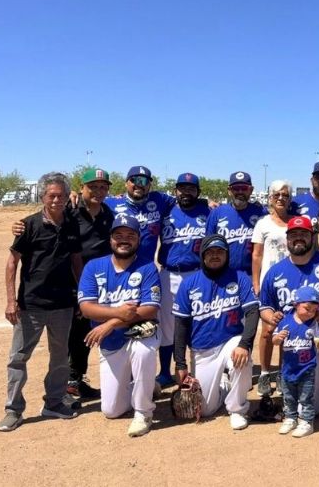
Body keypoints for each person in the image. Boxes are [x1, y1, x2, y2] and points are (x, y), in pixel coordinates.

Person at [10, 167, 112, 401]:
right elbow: (47, 213)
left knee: (85, 332)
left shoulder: (109, 212)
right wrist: (19, 226)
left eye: (102, 187)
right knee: (70, 335)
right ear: (81, 189)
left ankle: (77, 378)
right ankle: (68, 385)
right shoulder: (70, 209)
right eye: (92, 187)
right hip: (70, 281)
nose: (98, 191)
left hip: (99, 282)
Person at [258, 216, 319, 438]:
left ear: (312, 236)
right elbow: (264, 306)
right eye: (293, 235)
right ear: (287, 240)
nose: (298, 238)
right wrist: (270, 317)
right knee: (307, 402)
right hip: (299, 341)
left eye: (303, 234)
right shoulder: (276, 272)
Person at [0, 172, 83, 432]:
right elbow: (13, 262)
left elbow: (76, 261)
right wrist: (11, 301)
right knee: (18, 358)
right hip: (30, 305)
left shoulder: (71, 224)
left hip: (62, 305)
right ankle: (13, 410)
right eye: (51, 195)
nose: (56, 200)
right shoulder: (29, 225)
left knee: (59, 358)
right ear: (43, 197)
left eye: (60, 195)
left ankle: (54, 403)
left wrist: (81, 296)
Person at [77, 214, 161, 437]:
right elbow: (86, 308)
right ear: (111, 239)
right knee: (112, 410)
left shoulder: (147, 267)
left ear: (138, 239)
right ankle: (145, 385)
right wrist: (118, 313)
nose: (124, 240)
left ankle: (144, 412)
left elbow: (150, 309)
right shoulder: (94, 266)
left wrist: (111, 323)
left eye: (130, 235)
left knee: (143, 353)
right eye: (119, 235)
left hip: (139, 332)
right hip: (111, 343)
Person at [172, 234, 259, 430]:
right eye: (210, 252)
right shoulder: (189, 283)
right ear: (202, 255)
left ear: (227, 254)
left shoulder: (239, 278)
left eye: (219, 252)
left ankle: (237, 409)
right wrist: (180, 363)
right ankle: (225, 385)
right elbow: (181, 325)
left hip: (230, 340)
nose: (215, 256)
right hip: (202, 349)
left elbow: (253, 312)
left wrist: (244, 344)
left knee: (241, 358)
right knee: (206, 410)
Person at [155, 173, 211, 387]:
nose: (186, 192)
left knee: (198, 322)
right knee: (168, 326)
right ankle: (164, 372)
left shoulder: (207, 212)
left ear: (198, 192)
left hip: (197, 273)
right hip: (169, 274)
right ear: (176, 190)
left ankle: (199, 368)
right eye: (182, 188)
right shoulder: (165, 210)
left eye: (191, 188)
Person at [251, 179, 292, 396]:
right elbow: (256, 255)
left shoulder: (294, 222)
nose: (281, 198)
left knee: (286, 330)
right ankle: (266, 372)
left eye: (285, 194)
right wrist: (256, 282)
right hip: (268, 285)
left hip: (290, 284)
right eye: (277, 194)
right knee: (267, 330)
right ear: (270, 198)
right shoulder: (263, 224)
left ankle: (283, 373)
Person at [272, 285, 319, 438]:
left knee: (306, 397)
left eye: (314, 310)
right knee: (288, 396)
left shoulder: (313, 324)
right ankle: (290, 418)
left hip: (307, 368)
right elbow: (274, 340)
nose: (311, 313)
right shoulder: (285, 321)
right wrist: (277, 338)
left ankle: (307, 421)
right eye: (307, 308)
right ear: (296, 304)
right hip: (288, 368)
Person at [105, 165, 175, 265]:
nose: (139, 184)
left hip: (147, 267)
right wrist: (74, 194)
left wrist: (202, 203)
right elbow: (89, 204)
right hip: (119, 266)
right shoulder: (111, 203)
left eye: (144, 181)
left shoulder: (159, 199)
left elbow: (184, 201)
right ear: (126, 183)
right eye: (135, 180)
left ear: (149, 185)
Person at [206, 171, 268, 273]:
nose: (240, 192)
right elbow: (207, 245)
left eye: (244, 188)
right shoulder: (217, 213)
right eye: (235, 188)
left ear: (251, 190)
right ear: (229, 190)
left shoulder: (261, 213)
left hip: (252, 274)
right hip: (223, 273)